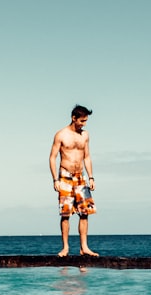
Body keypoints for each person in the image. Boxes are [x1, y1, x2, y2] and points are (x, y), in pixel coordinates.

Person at [50, 105, 98, 257]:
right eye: (82, 121)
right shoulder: (61, 135)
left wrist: (91, 177)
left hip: (80, 177)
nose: (84, 124)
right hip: (65, 176)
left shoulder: (85, 135)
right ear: (74, 118)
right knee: (65, 214)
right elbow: (52, 157)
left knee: (85, 213)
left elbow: (87, 157)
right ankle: (65, 248)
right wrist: (55, 180)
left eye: (86, 121)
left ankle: (84, 247)